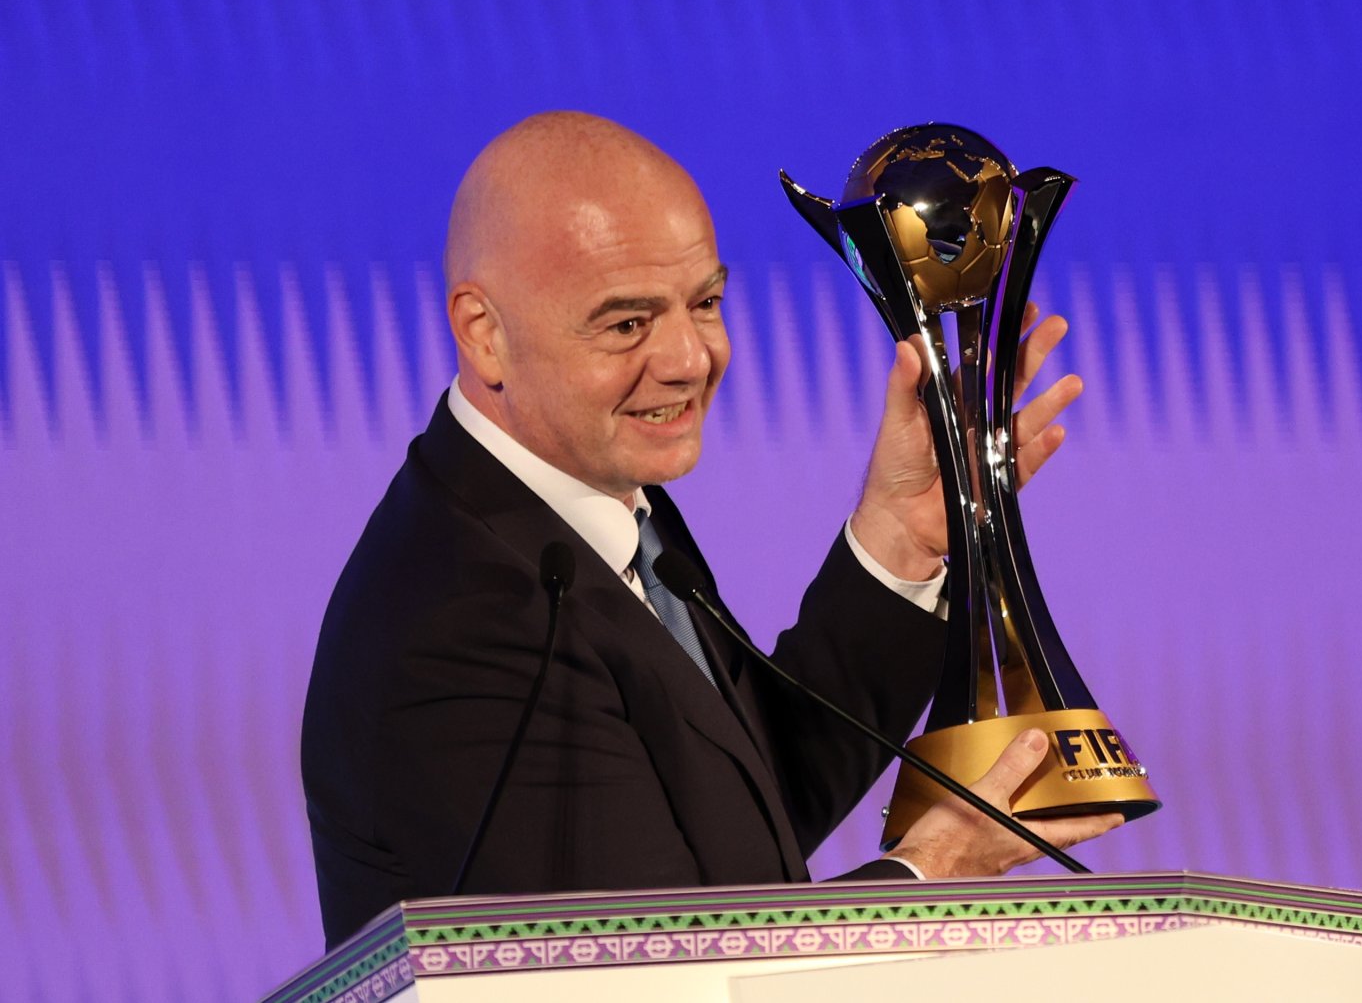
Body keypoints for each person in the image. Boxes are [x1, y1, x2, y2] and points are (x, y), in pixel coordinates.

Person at [301, 112, 1121, 948]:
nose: (691, 358)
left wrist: (902, 537)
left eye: (706, 303)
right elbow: (653, 972)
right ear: (485, 334)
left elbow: (744, 816)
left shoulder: (591, 516)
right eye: (627, 324)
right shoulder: (461, 623)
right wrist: (931, 873)